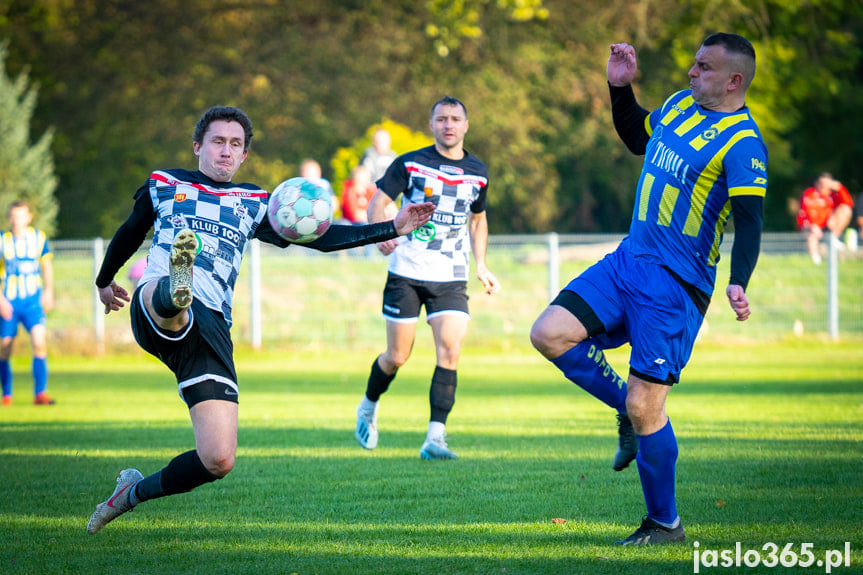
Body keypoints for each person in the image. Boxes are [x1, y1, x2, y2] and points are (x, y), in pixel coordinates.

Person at [87, 105, 434, 534]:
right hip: (156, 305)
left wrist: (393, 227)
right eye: (218, 141)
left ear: (244, 155)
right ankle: (177, 283)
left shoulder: (253, 201)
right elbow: (129, 231)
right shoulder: (165, 183)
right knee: (174, 303)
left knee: (218, 458)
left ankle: (131, 493)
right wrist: (105, 281)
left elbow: (321, 239)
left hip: (211, 330)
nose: (226, 151)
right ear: (198, 146)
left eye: (236, 145)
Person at [530, 34, 768, 545]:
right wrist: (620, 89)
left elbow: (749, 223)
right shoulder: (681, 105)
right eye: (693, 62)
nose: (690, 72)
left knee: (647, 406)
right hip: (627, 261)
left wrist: (739, 282)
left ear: (734, 81)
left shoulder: (743, 144)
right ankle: (623, 408)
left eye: (703, 67)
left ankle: (665, 523)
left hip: (675, 287)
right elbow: (639, 136)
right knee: (549, 333)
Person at [354, 96, 501, 460]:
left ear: (466, 125)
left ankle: (435, 439)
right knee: (397, 356)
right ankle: (369, 406)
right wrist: (382, 234)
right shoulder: (410, 163)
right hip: (406, 272)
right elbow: (378, 202)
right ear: (431, 124)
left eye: (455, 119)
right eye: (441, 119)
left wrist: (480, 264)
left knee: (450, 349)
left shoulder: (478, 172)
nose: (449, 124)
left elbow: (478, 220)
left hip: (451, 276)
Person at [0, 201, 55, 406]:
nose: (17, 220)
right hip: (8, 302)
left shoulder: (38, 238)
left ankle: (40, 394)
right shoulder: (2, 240)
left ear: (29, 217)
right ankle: (6, 394)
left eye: (21, 216)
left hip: (32, 301)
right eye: (13, 216)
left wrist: (49, 291)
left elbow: (46, 265)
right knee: (5, 348)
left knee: (39, 343)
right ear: (9, 218)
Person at [796, 173, 853, 264]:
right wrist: (813, 224)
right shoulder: (810, 193)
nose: (823, 187)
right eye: (822, 184)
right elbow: (805, 211)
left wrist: (839, 187)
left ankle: (834, 238)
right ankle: (814, 258)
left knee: (846, 210)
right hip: (811, 225)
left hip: (827, 225)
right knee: (812, 232)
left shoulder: (831, 195)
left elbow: (848, 203)